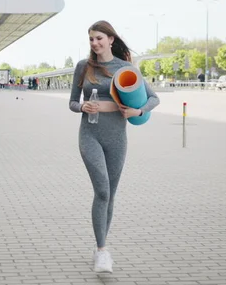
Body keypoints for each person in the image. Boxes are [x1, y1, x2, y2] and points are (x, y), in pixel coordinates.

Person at [69, 20, 160, 273]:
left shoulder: (126, 68)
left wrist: (138, 110)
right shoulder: (83, 67)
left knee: (110, 194)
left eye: (99, 38)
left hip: (117, 138)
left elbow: (154, 98)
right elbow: (72, 103)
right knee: (102, 191)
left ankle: (101, 245)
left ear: (111, 39)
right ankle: (102, 251)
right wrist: (82, 107)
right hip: (90, 134)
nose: (95, 43)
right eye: (91, 39)